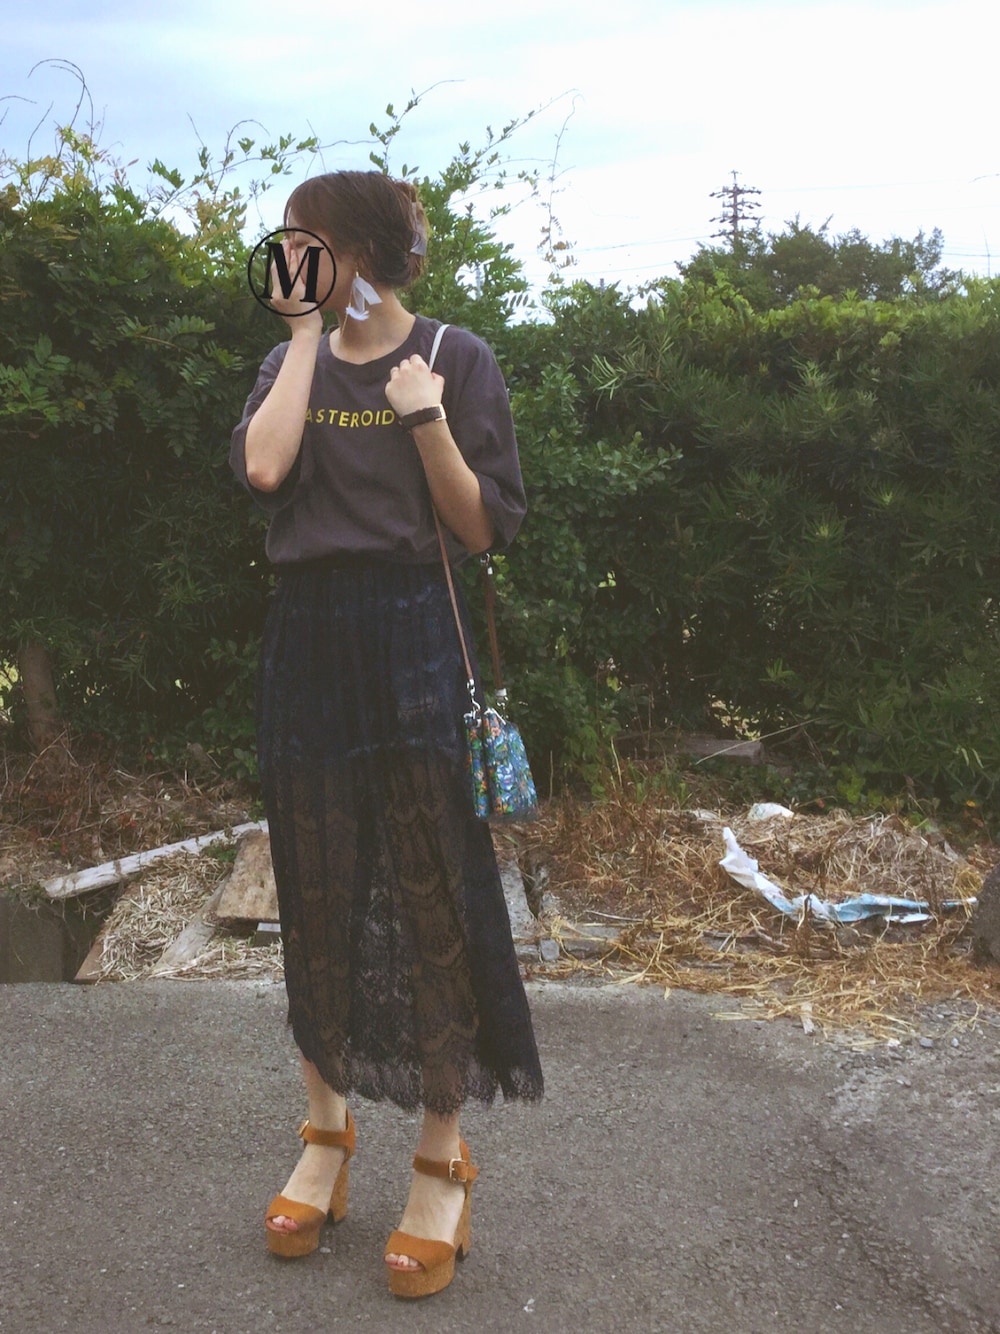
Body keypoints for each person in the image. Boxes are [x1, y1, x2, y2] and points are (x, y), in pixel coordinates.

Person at [229, 170, 543, 1298]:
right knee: (313, 890)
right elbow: (266, 467)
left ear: (358, 249)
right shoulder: (291, 362)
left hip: (413, 634)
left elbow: (480, 526)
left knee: (432, 893)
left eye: (305, 241)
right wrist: (304, 336)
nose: (288, 257)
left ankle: (439, 1155)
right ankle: (325, 1134)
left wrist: (426, 419)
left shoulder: (456, 357)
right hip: (310, 639)